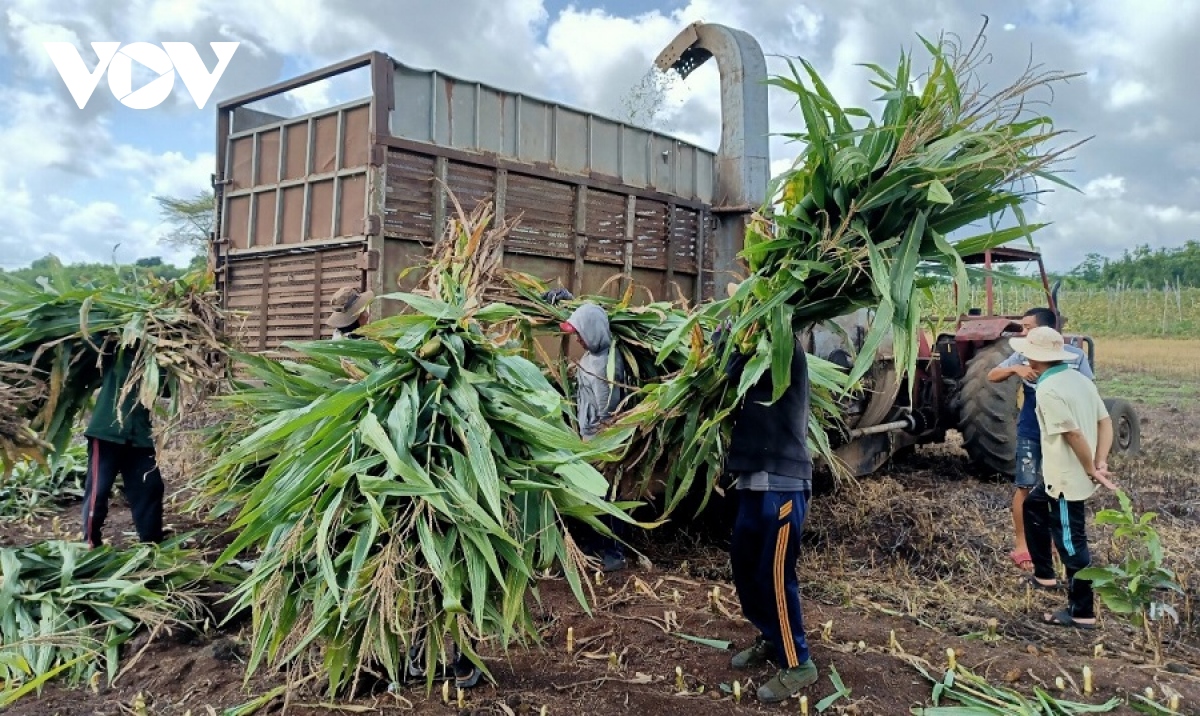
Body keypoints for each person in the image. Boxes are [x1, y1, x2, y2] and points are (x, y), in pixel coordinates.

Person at [724, 335, 819, 703]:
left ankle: (799, 664)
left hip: (783, 482)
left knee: (776, 576)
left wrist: (734, 342)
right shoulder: (750, 344)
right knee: (745, 569)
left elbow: (732, 373)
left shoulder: (781, 345)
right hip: (751, 478)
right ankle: (770, 634)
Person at [1009, 326, 1115, 629]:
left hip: (1067, 479)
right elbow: (1105, 422)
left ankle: (1081, 612)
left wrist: (1091, 468)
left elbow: (1072, 433)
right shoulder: (1080, 379)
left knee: (1072, 543)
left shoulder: (1047, 389)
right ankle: (1044, 575)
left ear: (1032, 359)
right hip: (1062, 474)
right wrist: (1100, 460)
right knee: (1033, 507)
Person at [987, 307, 1093, 572]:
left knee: (1058, 484)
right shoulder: (1021, 354)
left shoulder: (1075, 357)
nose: (1022, 332)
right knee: (1025, 486)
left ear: (1048, 330)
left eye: (1027, 327)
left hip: (1059, 430)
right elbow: (991, 375)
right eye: (1022, 327)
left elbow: (1087, 392)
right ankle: (1023, 545)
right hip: (1031, 430)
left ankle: (1056, 542)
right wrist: (1016, 369)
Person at [559, 299, 628, 572]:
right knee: (590, 495)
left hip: (602, 440)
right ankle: (591, 543)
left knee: (607, 496)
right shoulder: (592, 357)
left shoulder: (605, 365)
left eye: (580, 333)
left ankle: (614, 551)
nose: (577, 339)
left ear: (593, 330)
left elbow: (608, 412)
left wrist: (597, 444)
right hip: (586, 437)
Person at [81, 341, 165, 549]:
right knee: (98, 490)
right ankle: (91, 542)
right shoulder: (115, 350)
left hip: (139, 436)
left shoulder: (160, 358)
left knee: (151, 487)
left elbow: (167, 390)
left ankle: (151, 543)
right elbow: (91, 338)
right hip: (107, 432)